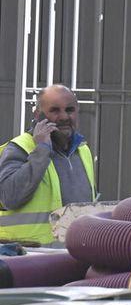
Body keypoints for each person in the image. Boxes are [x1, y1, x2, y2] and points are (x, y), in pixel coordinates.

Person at [0, 84, 96, 245]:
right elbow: (9, 198)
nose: (64, 117)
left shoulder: (82, 150)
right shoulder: (19, 148)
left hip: (73, 253)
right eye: (55, 110)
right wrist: (42, 149)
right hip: (27, 256)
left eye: (70, 110)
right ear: (38, 115)